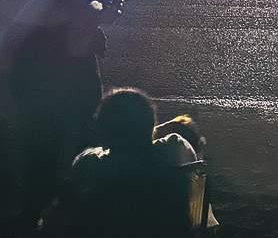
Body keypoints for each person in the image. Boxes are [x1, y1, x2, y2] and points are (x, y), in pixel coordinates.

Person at [0, 0, 125, 229]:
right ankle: (32, 216)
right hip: (32, 65)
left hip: (77, 62)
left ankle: (74, 212)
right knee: (40, 143)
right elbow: (25, 12)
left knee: (84, 133)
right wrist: (85, 14)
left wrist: (109, 8)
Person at [50, 88, 199, 238]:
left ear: (103, 131)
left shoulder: (92, 166)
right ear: (150, 125)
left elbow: (58, 220)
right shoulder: (173, 154)